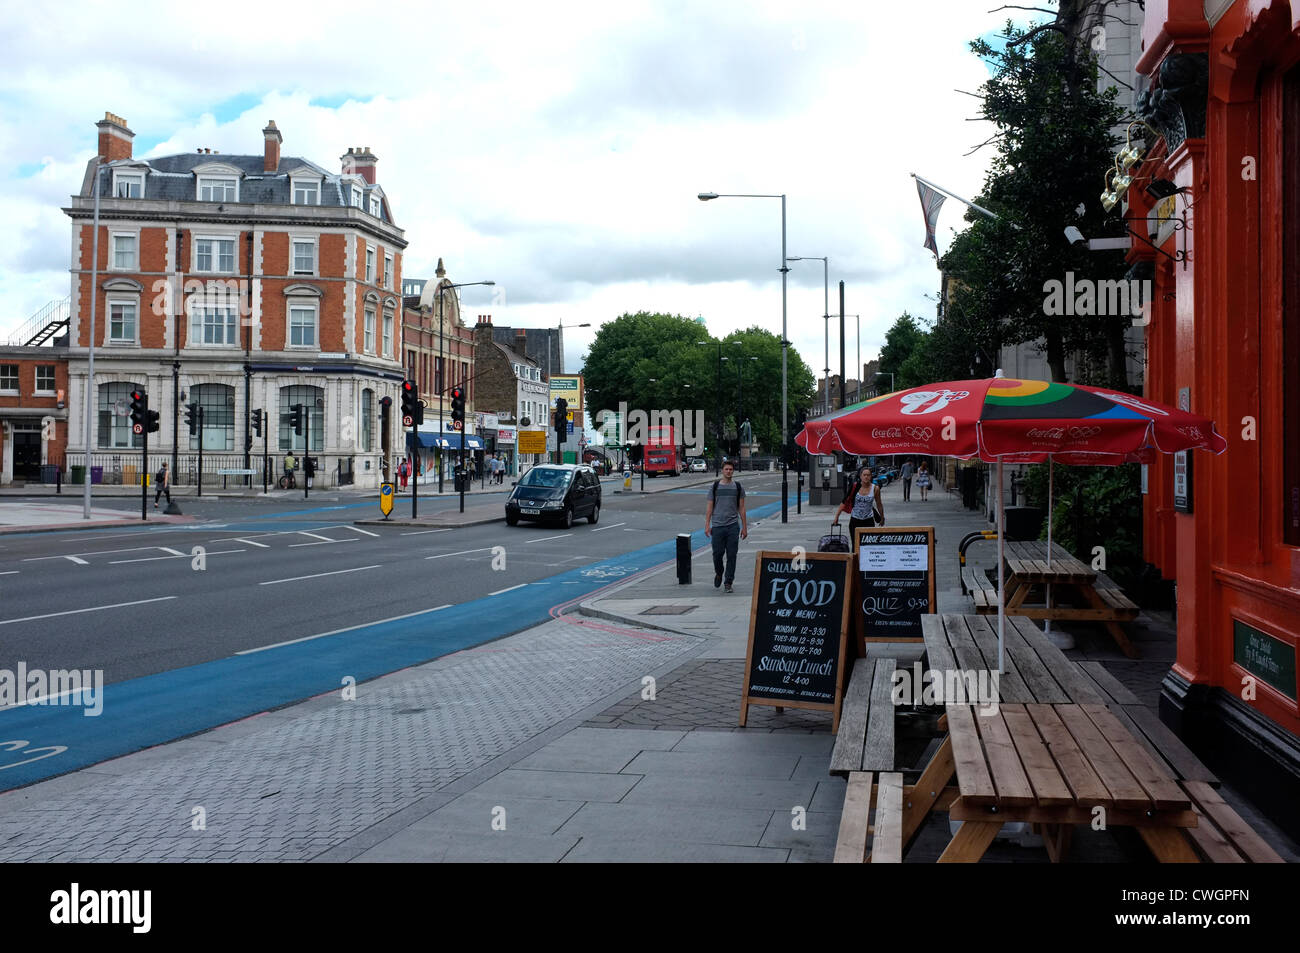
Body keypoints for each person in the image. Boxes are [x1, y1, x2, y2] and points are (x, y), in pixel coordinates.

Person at [704, 460, 747, 593]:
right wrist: (707, 524)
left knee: (732, 555)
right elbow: (709, 507)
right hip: (717, 526)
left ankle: (728, 582)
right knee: (717, 554)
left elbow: (742, 508)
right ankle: (719, 572)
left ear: (733, 471)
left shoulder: (738, 487)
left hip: (733, 526)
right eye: (726, 469)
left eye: (731, 469)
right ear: (722, 471)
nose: (729, 471)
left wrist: (744, 527)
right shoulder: (715, 487)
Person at [833, 464, 885, 541]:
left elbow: (879, 504)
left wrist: (882, 517)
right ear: (860, 476)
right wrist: (837, 517)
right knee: (855, 546)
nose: (866, 477)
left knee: (867, 546)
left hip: (868, 520)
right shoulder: (855, 486)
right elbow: (844, 501)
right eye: (864, 475)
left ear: (871, 476)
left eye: (868, 475)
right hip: (855, 520)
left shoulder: (875, 488)